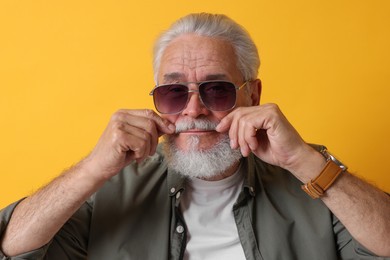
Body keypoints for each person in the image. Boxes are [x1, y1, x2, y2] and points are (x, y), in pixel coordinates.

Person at [0, 13, 389, 260]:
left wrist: (303, 162)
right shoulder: (111, 186)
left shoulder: (312, 175)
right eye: (173, 93)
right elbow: (11, 249)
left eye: (216, 90)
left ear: (251, 95)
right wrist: (91, 171)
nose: (193, 110)